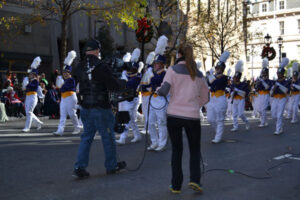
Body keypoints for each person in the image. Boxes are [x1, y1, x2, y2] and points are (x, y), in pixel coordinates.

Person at [157, 44, 209, 194]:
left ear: (179, 55)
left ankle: (176, 185)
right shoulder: (199, 74)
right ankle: (195, 180)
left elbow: (164, 90)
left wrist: (158, 91)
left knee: (177, 150)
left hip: (174, 115)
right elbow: (206, 97)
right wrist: (194, 105)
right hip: (192, 116)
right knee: (194, 149)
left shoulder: (172, 71)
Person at [73, 39, 126, 179]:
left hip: (85, 107)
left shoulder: (79, 66)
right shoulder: (101, 66)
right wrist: (122, 83)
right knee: (108, 137)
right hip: (101, 107)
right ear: (97, 50)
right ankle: (111, 165)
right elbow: (113, 86)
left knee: (86, 138)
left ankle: (79, 167)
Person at [146, 35, 169, 151]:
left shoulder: (165, 73)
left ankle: (162, 142)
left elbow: (158, 83)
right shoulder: (153, 73)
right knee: (150, 122)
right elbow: (146, 84)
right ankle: (154, 141)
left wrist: (150, 76)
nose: (155, 65)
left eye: (157, 63)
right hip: (153, 99)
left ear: (162, 64)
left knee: (161, 122)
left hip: (161, 99)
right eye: (155, 63)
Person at [115, 48, 142, 144]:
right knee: (130, 120)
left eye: (132, 69)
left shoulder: (137, 77)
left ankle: (123, 138)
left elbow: (128, 85)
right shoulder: (127, 75)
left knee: (126, 118)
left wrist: (124, 78)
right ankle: (137, 135)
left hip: (133, 99)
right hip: (127, 98)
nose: (129, 71)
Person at [53, 50, 81, 136]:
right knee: (62, 114)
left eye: (66, 72)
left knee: (72, 114)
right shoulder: (64, 80)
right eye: (64, 72)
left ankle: (77, 127)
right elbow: (60, 89)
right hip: (64, 98)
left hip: (71, 97)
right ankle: (60, 130)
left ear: (69, 73)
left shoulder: (71, 80)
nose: (64, 74)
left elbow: (64, 88)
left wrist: (60, 86)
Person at [206, 51, 230, 143]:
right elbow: (208, 83)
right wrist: (208, 76)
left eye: (219, 68)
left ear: (223, 69)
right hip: (212, 99)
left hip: (220, 99)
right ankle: (218, 133)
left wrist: (210, 76)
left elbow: (215, 83)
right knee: (210, 119)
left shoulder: (224, 77)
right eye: (217, 67)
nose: (217, 69)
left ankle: (218, 137)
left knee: (220, 119)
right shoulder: (214, 76)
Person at [22, 57, 44, 132]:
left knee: (29, 112)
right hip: (28, 96)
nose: (29, 75)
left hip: (32, 97)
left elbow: (30, 87)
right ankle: (38, 122)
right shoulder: (30, 80)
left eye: (31, 74)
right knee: (28, 112)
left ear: (34, 75)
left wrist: (26, 84)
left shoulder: (35, 81)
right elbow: (25, 89)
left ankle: (27, 127)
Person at [270, 58, 290, 135]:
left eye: (280, 73)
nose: (278, 74)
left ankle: (278, 129)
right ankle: (280, 124)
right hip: (275, 98)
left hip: (282, 98)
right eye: (278, 73)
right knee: (273, 115)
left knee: (279, 114)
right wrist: (274, 88)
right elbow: (271, 93)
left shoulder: (286, 82)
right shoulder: (275, 81)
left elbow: (287, 91)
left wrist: (279, 86)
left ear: (282, 74)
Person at [229, 60, 250, 132]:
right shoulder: (232, 84)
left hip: (241, 99)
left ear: (238, 78)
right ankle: (235, 126)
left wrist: (237, 91)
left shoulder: (243, 84)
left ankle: (247, 122)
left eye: (235, 77)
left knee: (240, 114)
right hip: (234, 99)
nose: (234, 78)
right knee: (234, 114)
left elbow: (245, 93)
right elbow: (231, 92)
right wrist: (232, 93)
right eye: (234, 77)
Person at [255, 58, 273, 127]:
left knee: (263, 109)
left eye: (264, 73)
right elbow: (256, 87)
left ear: (267, 73)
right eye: (262, 73)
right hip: (259, 95)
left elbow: (267, 87)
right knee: (259, 109)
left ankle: (262, 122)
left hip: (265, 95)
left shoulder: (269, 81)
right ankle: (265, 121)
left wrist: (262, 81)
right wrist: (258, 82)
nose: (263, 74)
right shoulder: (260, 80)